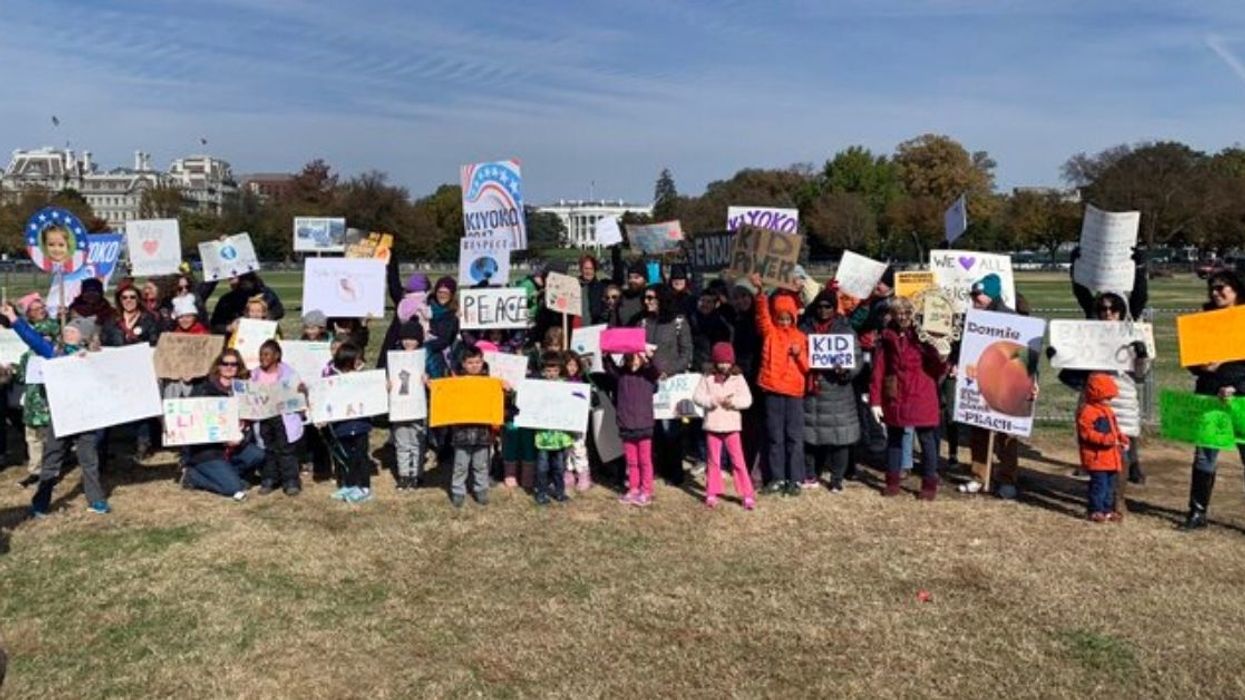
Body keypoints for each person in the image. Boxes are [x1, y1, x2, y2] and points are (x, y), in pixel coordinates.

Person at [1, 306, 110, 516]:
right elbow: (33, 339)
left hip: (86, 417)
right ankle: (40, 503)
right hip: (61, 417)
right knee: (51, 460)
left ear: (84, 336)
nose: (67, 333)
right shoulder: (55, 353)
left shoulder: (95, 357)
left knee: (89, 460)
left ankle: (96, 500)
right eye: (66, 330)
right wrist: (14, 319)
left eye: (73, 331)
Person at [961, 273, 1035, 498]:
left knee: (1006, 434)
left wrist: (1032, 380)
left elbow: (1026, 352)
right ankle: (979, 475)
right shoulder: (971, 320)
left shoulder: (1013, 319)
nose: (974, 299)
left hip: (1007, 384)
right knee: (979, 428)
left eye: (979, 295)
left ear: (991, 296)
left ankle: (1007, 478)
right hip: (979, 383)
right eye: (972, 295)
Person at [1181, 270, 1245, 530]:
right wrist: (1201, 368)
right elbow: (1194, 362)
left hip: (1240, 398)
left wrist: (1238, 387)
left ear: (1236, 290)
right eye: (1212, 288)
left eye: (1222, 288)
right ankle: (1197, 513)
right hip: (1209, 397)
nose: (1216, 292)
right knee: (1205, 456)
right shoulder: (1203, 320)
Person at [869, 296, 948, 500]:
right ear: (892, 315)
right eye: (897, 313)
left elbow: (937, 368)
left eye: (906, 313)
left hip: (922, 391)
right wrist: (875, 400)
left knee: (927, 439)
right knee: (894, 437)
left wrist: (942, 356)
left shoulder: (924, 335)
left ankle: (929, 483)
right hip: (896, 393)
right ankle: (892, 481)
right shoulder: (886, 336)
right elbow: (879, 369)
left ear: (912, 314)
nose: (902, 317)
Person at [750, 273, 809, 497]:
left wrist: (798, 355)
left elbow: (807, 367)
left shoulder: (801, 337)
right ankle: (776, 478)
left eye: (787, 317)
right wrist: (761, 292)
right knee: (774, 436)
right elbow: (762, 314)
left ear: (793, 317)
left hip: (793, 392)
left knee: (794, 436)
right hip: (772, 390)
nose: (784, 321)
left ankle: (794, 478)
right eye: (780, 317)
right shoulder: (770, 333)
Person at [800, 289, 862, 493]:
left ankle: (837, 478)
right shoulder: (804, 329)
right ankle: (811, 474)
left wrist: (847, 370)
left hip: (838, 391)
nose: (823, 310)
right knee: (810, 435)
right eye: (820, 306)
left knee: (839, 438)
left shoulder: (845, 330)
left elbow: (857, 360)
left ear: (834, 308)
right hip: (811, 388)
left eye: (828, 306)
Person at [183, 350, 265, 499]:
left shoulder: (244, 390)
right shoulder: (203, 388)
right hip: (207, 450)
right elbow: (193, 423)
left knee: (258, 455)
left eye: (234, 364)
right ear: (218, 366)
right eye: (225, 363)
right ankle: (193, 476)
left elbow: (249, 423)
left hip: (235, 446)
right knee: (235, 488)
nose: (229, 367)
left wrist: (242, 439)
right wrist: (221, 438)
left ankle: (226, 474)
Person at [637, 283, 693, 485]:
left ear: (662, 299)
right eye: (646, 298)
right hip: (647, 382)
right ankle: (658, 468)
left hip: (671, 385)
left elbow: (686, 353)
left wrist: (668, 371)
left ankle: (675, 472)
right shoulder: (643, 322)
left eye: (651, 298)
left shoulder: (678, 322)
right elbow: (636, 349)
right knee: (653, 429)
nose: (647, 302)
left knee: (671, 429)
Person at [692, 342, 756, 510]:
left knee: (738, 461)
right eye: (720, 362)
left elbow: (747, 400)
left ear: (732, 362)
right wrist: (711, 401)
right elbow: (697, 397)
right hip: (712, 426)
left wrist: (733, 402)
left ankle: (746, 493)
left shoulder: (738, 378)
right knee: (713, 460)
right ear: (714, 362)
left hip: (732, 426)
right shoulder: (707, 377)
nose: (724, 365)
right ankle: (712, 492)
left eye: (727, 362)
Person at [606, 350, 661, 507]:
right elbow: (609, 368)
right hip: (626, 424)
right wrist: (606, 354)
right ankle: (633, 488)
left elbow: (655, 370)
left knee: (645, 460)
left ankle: (647, 490)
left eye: (636, 359)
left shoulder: (648, 376)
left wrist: (649, 357)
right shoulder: (621, 376)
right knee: (631, 461)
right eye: (629, 359)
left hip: (644, 425)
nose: (633, 363)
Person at [13, 297, 57, 488]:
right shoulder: (23, 331)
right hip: (31, 394)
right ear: (29, 313)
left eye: (43, 308)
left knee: (47, 434)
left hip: (47, 392)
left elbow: (35, 337)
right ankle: (35, 470)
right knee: (32, 435)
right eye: (36, 309)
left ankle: (50, 470)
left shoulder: (50, 329)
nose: (41, 311)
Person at [323, 342, 375, 504]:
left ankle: (365, 487)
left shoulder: (363, 377)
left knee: (361, 455)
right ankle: (350, 484)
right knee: (347, 456)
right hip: (342, 425)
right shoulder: (333, 378)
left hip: (360, 424)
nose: (359, 363)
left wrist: (383, 388)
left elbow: (373, 393)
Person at [251, 340, 304, 496]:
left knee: (286, 450)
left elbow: (297, 393)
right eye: (261, 354)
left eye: (267, 354)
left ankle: (290, 481)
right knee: (268, 449)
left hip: (283, 418)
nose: (263, 357)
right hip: (264, 417)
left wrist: (301, 391)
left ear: (277, 355)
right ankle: (269, 478)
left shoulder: (289, 374)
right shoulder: (254, 374)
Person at [1077, 373, 1128, 523]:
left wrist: (1121, 437)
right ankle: (1095, 510)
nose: (1109, 401)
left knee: (1110, 486)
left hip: (1111, 458)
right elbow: (1086, 434)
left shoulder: (1108, 411)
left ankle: (1107, 509)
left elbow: (1114, 429)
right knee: (1099, 485)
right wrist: (1107, 440)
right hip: (1097, 458)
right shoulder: (1088, 412)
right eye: (1106, 398)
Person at [448, 345, 493, 508]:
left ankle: (481, 490)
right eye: (470, 362)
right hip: (462, 433)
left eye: (478, 362)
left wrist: (506, 389)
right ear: (463, 364)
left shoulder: (489, 383)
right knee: (460, 465)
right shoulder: (456, 383)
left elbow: (499, 399)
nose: (475, 365)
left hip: (482, 433)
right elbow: (443, 394)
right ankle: (458, 491)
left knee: (481, 465)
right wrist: (429, 383)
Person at [390, 319, 427, 490]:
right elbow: (388, 377)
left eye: (412, 339)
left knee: (417, 442)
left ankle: (417, 474)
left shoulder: (425, 357)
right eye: (405, 338)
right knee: (402, 443)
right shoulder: (394, 358)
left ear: (419, 340)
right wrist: (386, 384)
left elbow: (434, 379)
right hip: (399, 408)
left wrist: (428, 380)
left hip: (418, 408)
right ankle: (404, 475)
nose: (408, 342)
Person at [533, 351, 574, 506]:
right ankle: (541, 493)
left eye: (555, 370)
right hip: (543, 437)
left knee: (559, 467)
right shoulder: (537, 387)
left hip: (560, 436)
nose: (551, 374)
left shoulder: (566, 386)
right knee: (542, 468)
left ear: (560, 370)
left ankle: (559, 492)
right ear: (543, 371)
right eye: (548, 371)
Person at [209, 272, 285, 334]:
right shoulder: (226, 301)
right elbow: (214, 326)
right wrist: (229, 328)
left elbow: (279, 311)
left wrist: (265, 317)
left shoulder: (266, 294)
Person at [563, 351, 593, 492]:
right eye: (569, 365)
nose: (572, 368)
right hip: (564, 420)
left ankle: (583, 474)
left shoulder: (581, 382)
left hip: (578, 422)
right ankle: (568, 473)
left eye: (575, 365)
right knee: (566, 448)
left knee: (579, 447)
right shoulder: (561, 382)